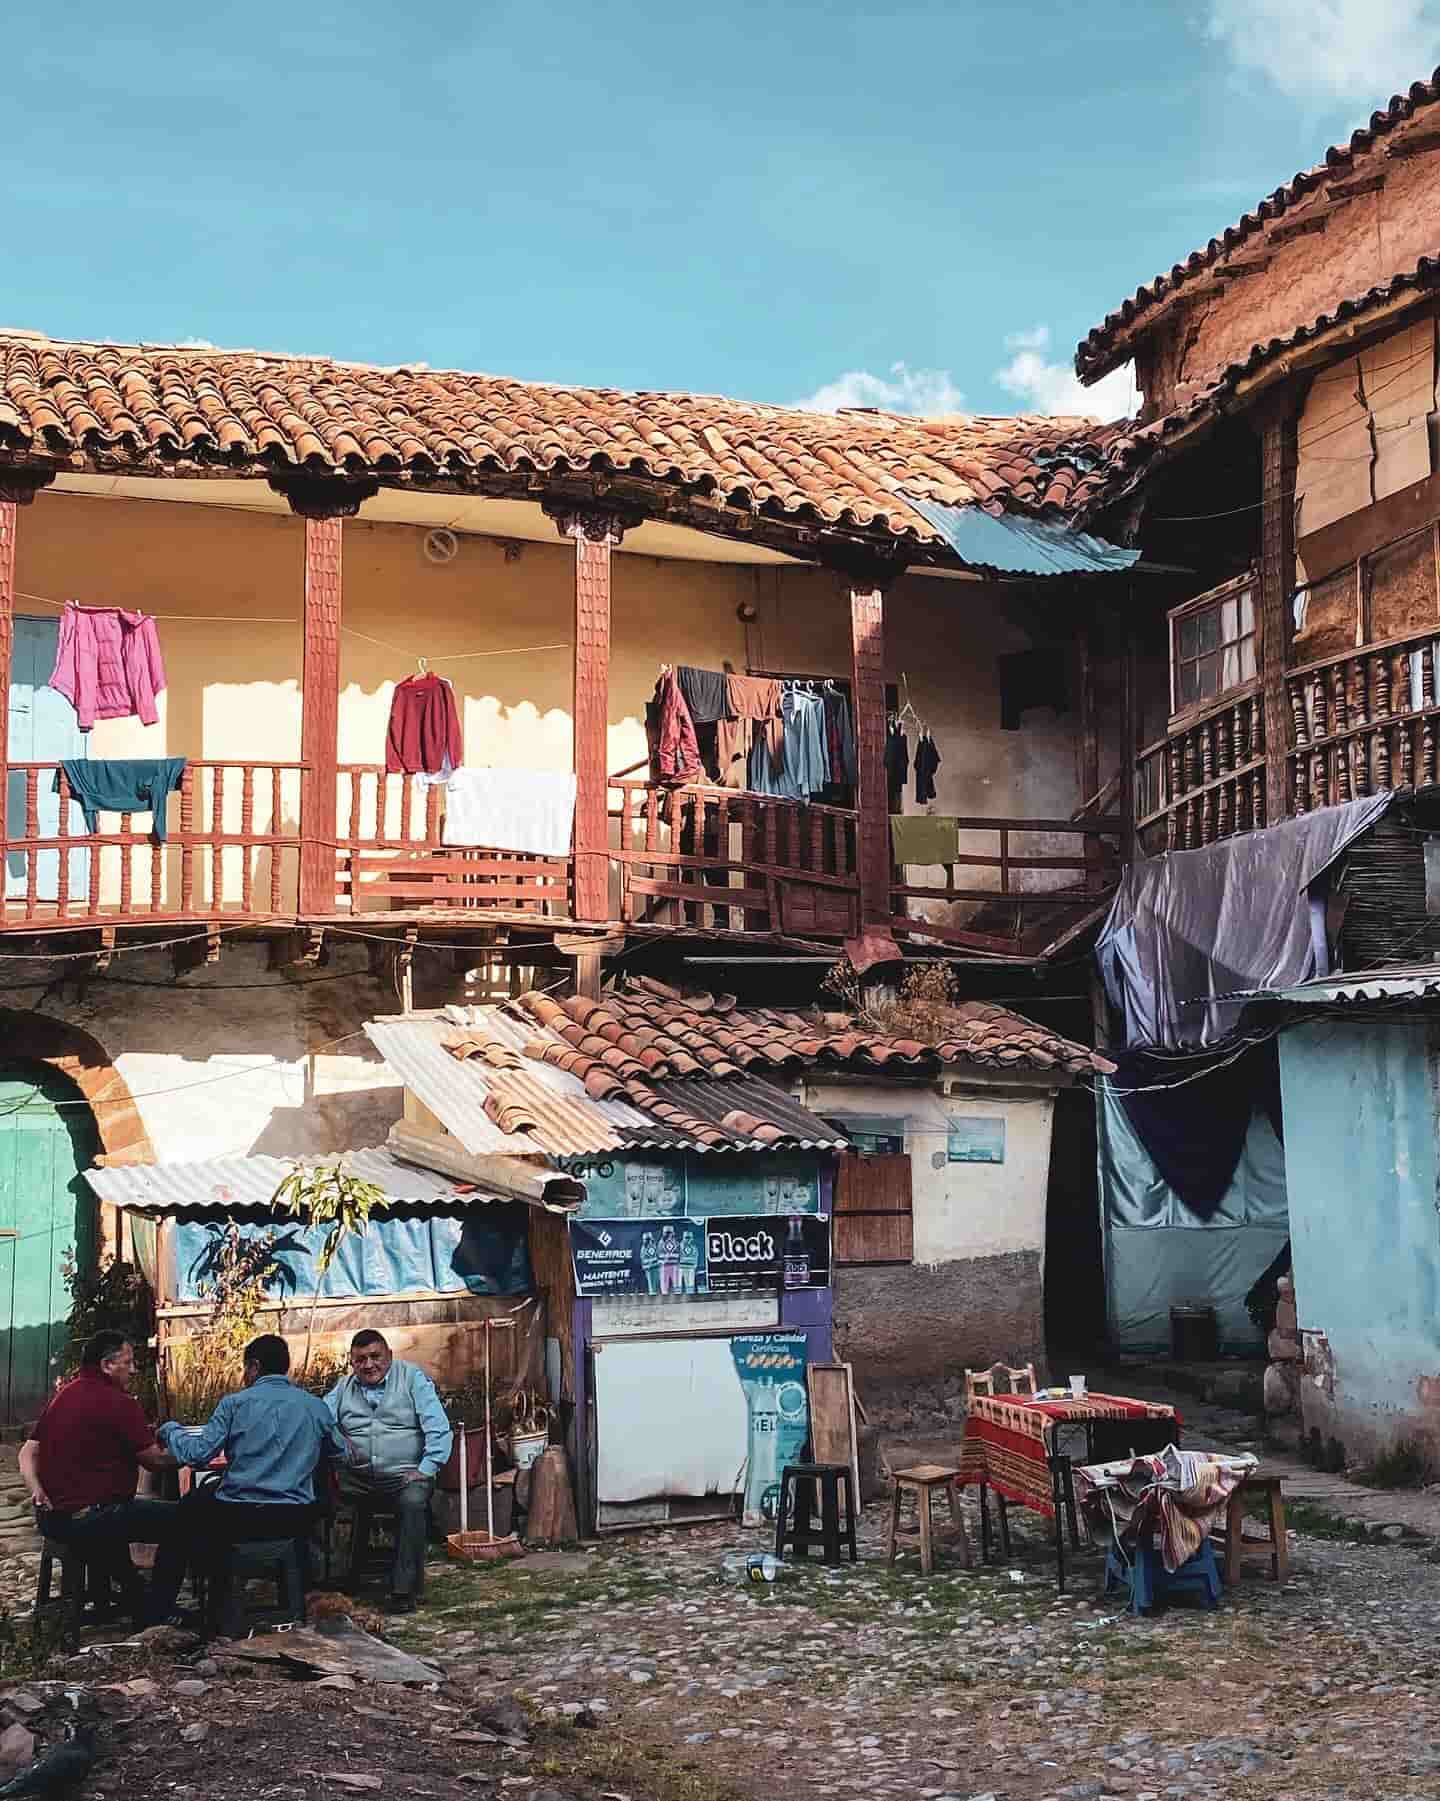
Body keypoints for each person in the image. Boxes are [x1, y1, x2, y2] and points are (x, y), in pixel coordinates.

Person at [158, 1334, 346, 1636]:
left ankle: (168, 1607)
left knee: (184, 1514)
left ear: (255, 1367)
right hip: (295, 1517)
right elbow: (342, 1453)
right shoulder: (315, 1407)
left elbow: (197, 1455)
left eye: (246, 1369)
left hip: (239, 1517)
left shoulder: (234, 1404)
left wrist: (170, 1430)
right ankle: (289, 1596)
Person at [19, 1331, 183, 1626]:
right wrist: (189, 1452)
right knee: (185, 1521)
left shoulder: (63, 1396)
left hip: (53, 1518)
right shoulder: (118, 1402)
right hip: (92, 1518)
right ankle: (155, 1612)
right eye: (128, 1362)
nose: (133, 1370)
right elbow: (155, 1461)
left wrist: (37, 1490)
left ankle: (134, 1597)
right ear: (108, 1365)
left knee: (121, 1512)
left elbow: (28, 1451)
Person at [324, 1330, 453, 1613]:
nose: (368, 1365)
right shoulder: (344, 1388)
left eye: (375, 1357)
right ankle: (330, 1578)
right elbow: (319, 1420)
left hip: (405, 1476)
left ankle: (404, 1590)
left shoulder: (411, 1378)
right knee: (313, 1494)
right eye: (360, 1360)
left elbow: (438, 1426)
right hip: (357, 1478)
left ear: (389, 1356)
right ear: (352, 1362)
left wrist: (427, 1467)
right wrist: (338, 1441)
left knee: (413, 1501)